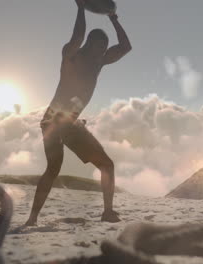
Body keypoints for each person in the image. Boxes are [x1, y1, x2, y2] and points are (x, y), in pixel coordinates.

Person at [25, 0, 132, 226]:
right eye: (98, 47)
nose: (101, 52)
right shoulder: (71, 56)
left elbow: (125, 47)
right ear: (88, 45)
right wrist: (81, 8)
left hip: (69, 122)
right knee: (54, 168)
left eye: (103, 49)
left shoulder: (99, 62)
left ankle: (107, 212)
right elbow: (77, 37)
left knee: (105, 165)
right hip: (54, 120)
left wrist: (113, 18)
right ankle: (33, 218)